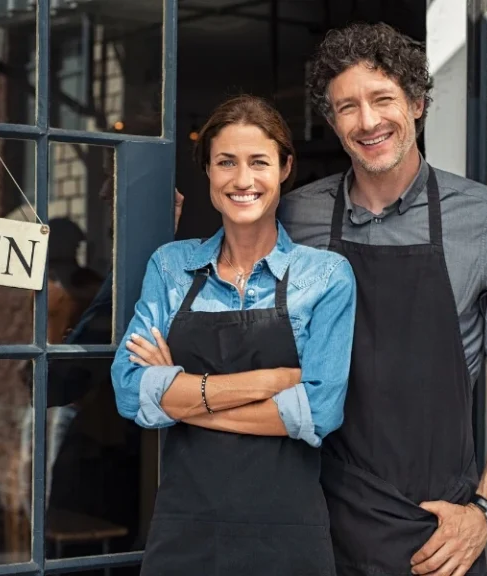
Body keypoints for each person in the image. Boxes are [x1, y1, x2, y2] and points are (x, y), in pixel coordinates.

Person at [277, 22, 487, 576]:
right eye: (347, 106)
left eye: (383, 99)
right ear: (331, 122)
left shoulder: (486, 218)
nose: (368, 121)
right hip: (312, 511)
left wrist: (486, 510)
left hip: (435, 528)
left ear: (418, 102)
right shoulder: (293, 215)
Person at [110, 94, 356, 576]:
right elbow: (127, 390)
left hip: (287, 537)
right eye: (226, 162)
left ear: (285, 168)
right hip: (186, 531)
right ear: (208, 172)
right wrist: (272, 383)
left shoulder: (326, 277)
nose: (242, 180)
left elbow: (319, 412)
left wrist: (181, 397)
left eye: (259, 162)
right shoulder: (171, 267)